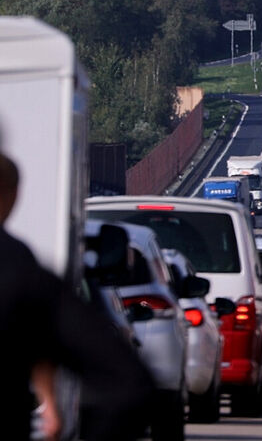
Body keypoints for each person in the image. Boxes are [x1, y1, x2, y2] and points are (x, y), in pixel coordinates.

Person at [0, 152, 153, 440]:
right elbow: (127, 382)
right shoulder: (17, 265)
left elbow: (38, 337)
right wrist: (51, 403)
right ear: (11, 195)